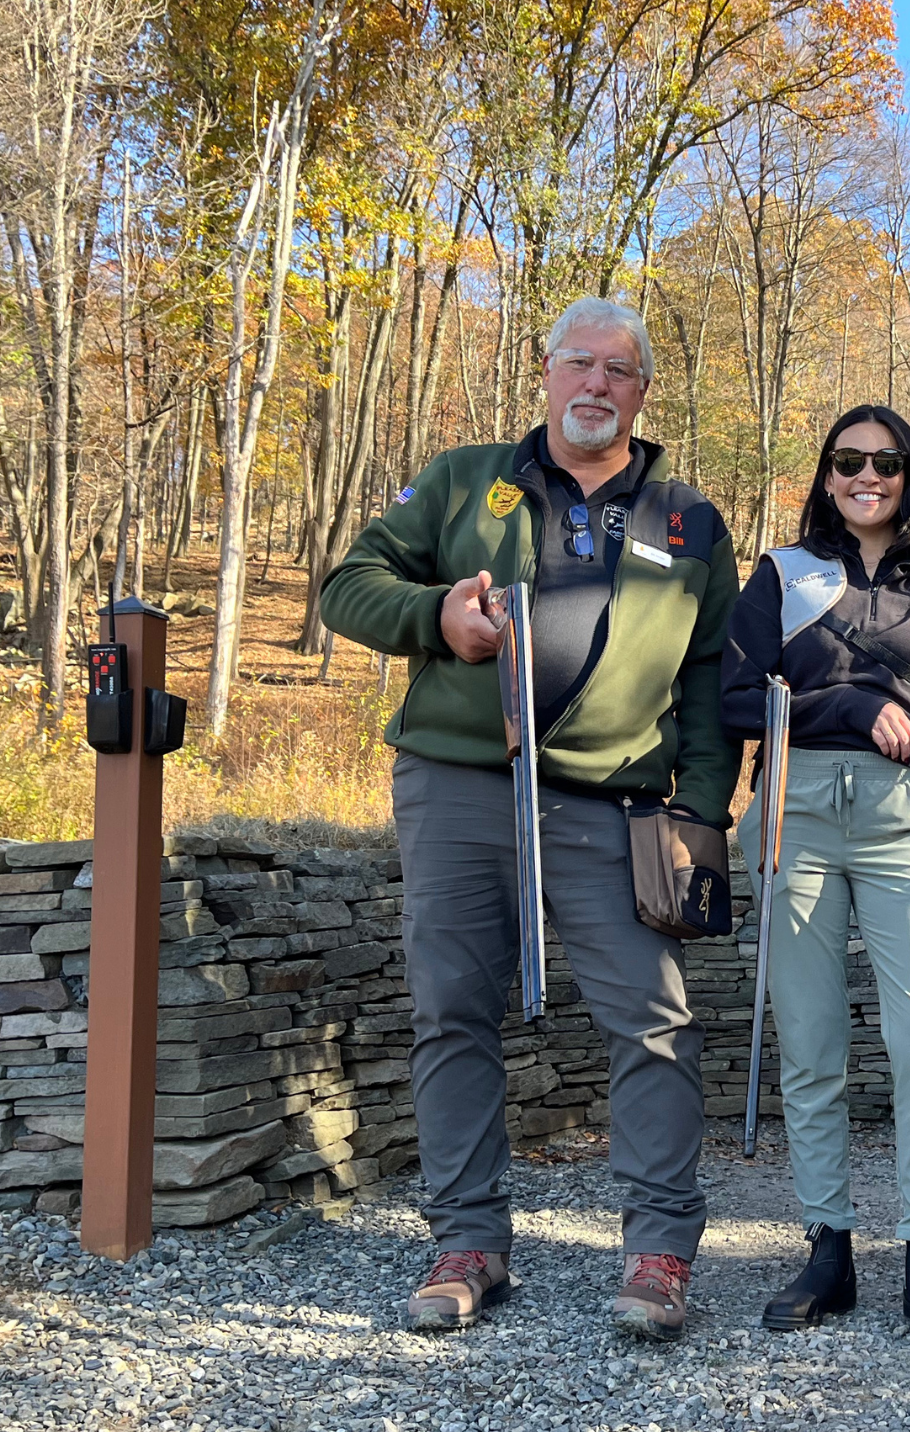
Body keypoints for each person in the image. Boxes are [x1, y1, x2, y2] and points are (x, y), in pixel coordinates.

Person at [321, 296, 738, 1342]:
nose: (595, 385)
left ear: (643, 393)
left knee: (652, 1018)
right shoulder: (464, 479)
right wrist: (436, 617)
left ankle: (658, 1252)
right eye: (577, 364)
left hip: (618, 802)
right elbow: (349, 584)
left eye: (619, 371)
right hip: (458, 785)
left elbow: (708, 682)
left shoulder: (687, 519)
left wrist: (698, 807)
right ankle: (467, 1244)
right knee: (451, 1009)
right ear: (545, 373)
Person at [722, 405, 910, 1349]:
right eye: (848, 461)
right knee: (810, 1043)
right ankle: (828, 1248)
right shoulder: (782, 573)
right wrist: (842, 699)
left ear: (909, 473)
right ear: (827, 474)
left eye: (885, 462)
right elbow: (732, 697)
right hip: (794, 821)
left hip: (906, 829)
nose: (866, 476)